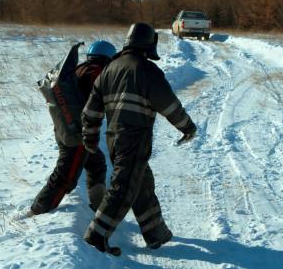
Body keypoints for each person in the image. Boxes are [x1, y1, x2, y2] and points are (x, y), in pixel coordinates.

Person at [81, 23, 197, 255]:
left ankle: (156, 233)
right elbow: (169, 105)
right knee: (122, 188)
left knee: (142, 184)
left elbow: (90, 112)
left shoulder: (108, 70)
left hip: (113, 137)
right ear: (148, 44)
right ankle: (96, 236)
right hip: (134, 138)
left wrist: (91, 138)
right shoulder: (147, 71)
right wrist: (187, 127)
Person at [28, 40, 117, 217]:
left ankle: (98, 206)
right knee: (65, 176)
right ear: (109, 58)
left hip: (63, 128)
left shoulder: (80, 68)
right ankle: (37, 212)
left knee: (96, 162)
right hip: (77, 134)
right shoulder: (98, 73)